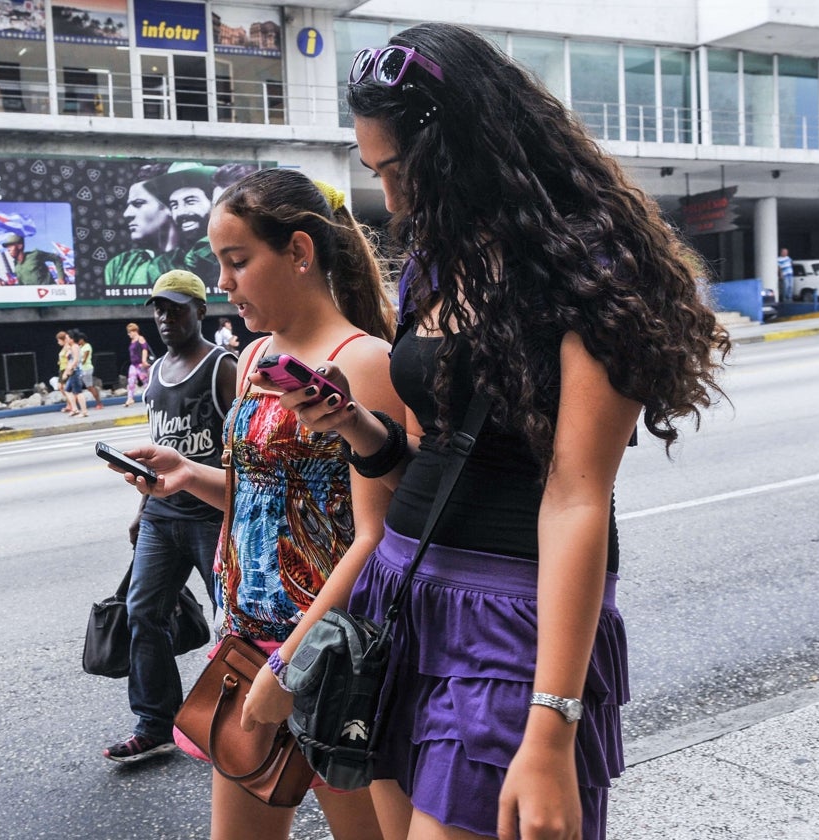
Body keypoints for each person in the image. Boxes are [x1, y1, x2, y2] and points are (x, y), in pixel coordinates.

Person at [279, 24, 727, 840]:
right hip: (399, 599)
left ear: (456, 151)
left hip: (511, 624)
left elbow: (577, 494)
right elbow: (428, 451)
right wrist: (357, 429)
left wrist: (551, 725)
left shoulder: (594, 275)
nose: (390, 198)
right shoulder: (435, 266)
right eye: (374, 173)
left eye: (395, 170)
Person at [111, 169, 402, 840]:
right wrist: (187, 475)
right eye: (219, 263)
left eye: (237, 262)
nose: (223, 283)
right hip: (245, 644)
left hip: (329, 657)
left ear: (299, 253)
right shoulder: (257, 357)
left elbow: (375, 538)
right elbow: (258, 501)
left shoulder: (363, 363)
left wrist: (288, 665)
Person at [102, 270, 238, 763]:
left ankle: (241, 722)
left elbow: (244, 449)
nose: (165, 317)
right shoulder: (157, 372)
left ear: (201, 311)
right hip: (162, 516)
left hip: (211, 518)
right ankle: (156, 722)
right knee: (143, 613)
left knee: (236, 623)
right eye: (159, 308)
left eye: (177, 308)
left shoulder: (224, 366)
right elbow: (157, 453)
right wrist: (142, 508)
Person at [146, 162, 221, 287]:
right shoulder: (162, 265)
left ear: (212, 203)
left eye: (190, 201)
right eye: (174, 205)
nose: (181, 212)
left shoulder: (233, 254)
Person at [105, 163, 178, 287]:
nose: (126, 214)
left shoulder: (196, 258)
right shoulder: (118, 265)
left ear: (168, 206)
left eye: (138, 203)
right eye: (128, 205)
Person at [0, 232, 66, 285]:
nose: (8, 249)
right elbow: (21, 287)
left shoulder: (35, 255)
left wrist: (61, 278)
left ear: (20, 246)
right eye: (8, 247)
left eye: (11, 246)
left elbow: (57, 258)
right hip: (33, 297)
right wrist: (5, 285)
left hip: (48, 295)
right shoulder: (16, 264)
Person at [71, 329, 104, 409]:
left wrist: (77, 363)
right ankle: (74, 406)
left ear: (82, 340)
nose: (78, 342)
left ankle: (99, 404)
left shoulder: (87, 346)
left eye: (78, 340)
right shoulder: (80, 347)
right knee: (76, 386)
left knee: (89, 387)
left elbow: (84, 359)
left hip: (86, 369)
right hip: (81, 369)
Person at [123, 322, 152, 407]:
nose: (129, 334)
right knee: (131, 381)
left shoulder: (140, 338)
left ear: (134, 331)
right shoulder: (132, 341)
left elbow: (144, 349)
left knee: (145, 382)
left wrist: (143, 360)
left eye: (129, 332)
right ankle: (130, 398)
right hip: (133, 364)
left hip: (140, 364)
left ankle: (150, 397)